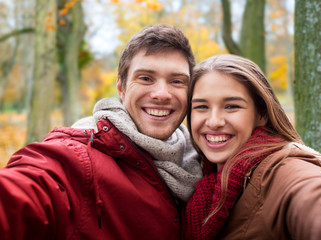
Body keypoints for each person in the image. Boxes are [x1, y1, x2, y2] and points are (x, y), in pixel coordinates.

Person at [0, 24, 202, 239]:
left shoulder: (205, 162)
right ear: (121, 88)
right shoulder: (78, 159)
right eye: (145, 78)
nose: (162, 94)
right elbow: (23, 193)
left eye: (177, 81)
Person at [184, 54, 321, 240]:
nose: (214, 122)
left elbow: (314, 198)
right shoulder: (200, 177)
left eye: (231, 106)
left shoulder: (281, 169)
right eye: (201, 107)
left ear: (261, 114)